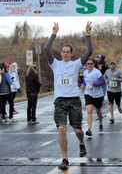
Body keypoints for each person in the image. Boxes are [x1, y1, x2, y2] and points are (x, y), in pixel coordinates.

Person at [44, 22, 92, 171]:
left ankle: (81, 143)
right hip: (59, 101)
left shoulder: (77, 63)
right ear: (61, 53)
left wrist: (87, 36)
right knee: (62, 129)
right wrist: (54, 33)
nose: (65, 53)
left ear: (71, 54)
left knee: (77, 130)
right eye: (63, 51)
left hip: (74, 101)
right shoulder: (55, 64)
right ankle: (65, 159)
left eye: (67, 51)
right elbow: (46, 49)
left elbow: (90, 51)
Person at [83, 58, 105, 137]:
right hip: (88, 94)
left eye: (91, 63)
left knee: (98, 110)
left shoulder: (97, 72)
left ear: (94, 64)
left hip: (98, 95)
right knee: (89, 111)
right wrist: (83, 85)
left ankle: (100, 122)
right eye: (88, 64)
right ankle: (89, 129)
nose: (89, 65)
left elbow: (103, 81)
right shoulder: (85, 72)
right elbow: (85, 81)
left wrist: (95, 84)